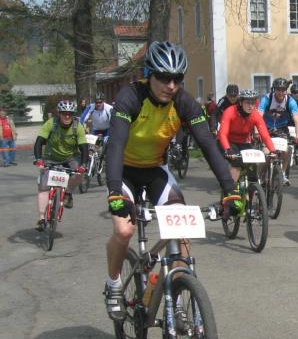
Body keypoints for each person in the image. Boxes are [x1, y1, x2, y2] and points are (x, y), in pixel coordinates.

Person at [102, 41, 242, 321]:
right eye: (164, 78)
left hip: (156, 170)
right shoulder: (130, 97)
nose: (171, 85)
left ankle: (177, 294)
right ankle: (114, 283)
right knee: (125, 231)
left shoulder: (183, 102)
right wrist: (115, 191)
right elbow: (115, 144)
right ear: (149, 74)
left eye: (177, 79)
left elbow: (207, 144)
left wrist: (231, 190)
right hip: (125, 171)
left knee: (182, 230)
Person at [32, 100, 88, 229]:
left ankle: (68, 193)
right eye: (64, 113)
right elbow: (39, 142)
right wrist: (38, 159)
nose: (67, 116)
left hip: (70, 157)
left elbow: (83, 147)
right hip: (50, 157)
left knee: (80, 173)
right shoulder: (51, 123)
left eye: (70, 113)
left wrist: (83, 165)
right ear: (59, 114)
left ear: (73, 115)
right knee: (43, 187)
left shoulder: (77, 126)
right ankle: (41, 219)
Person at [217, 88, 276, 183]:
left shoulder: (255, 115)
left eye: (253, 103)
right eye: (247, 103)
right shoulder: (229, 112)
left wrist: (273, 150)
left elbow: (265, 135)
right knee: (236, 163)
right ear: (241, 102)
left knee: (252, 165)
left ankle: (252, 187)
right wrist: (228, 149)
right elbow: (223, 134)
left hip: (243, 142)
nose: (250, 106)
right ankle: (231, 189)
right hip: (228, 141)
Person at [258, 78, 298, 185]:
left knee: (287, 150)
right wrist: (256, 132)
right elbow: (258, 117)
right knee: (266, 153)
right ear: (274, 90)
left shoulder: (290, 101)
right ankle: (260, 176)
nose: (281, 92)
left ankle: (282, 173)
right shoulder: (266, 99)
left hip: (282, 129)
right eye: (278, 90)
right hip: (267, 129)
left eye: (283, 90)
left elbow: (297, 120)